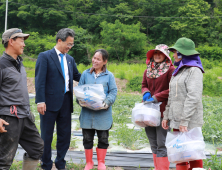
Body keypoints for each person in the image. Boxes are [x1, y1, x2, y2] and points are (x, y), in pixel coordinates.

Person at [35, 28, 81, 170]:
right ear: (59, 41)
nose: (70, 47)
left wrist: (94, 73)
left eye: (72, 44)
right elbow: (40, 80)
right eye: (68, 44)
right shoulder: (45, 56)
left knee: (65, 135)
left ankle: (60, 162)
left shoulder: (70, 59)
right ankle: (46, 163)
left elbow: (77, 76)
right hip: (48, 103)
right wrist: (40, 101)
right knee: (46, 136)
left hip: (66, 102)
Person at [0, 28, 44, 170]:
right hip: (9, 117)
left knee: (37, 148)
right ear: (11, 41)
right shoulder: (1, 64)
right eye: (21, 40)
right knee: (5, 159)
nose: (24, 44)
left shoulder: (19, 63)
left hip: (25, 115)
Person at [162, 37, 205, 170]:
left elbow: (193, 96)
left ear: (182, 53)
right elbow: (171, 96)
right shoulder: (178, 71)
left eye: (175, 52)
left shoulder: (194, 70)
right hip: (177, 121)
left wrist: (184, 120)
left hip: (189, 122)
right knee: (179, 154)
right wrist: (166, 116)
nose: (173, 55)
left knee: (193, 155)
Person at [77, 49, 117, 170]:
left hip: (103, 114)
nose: (95, 61)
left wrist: (107, 102)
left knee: (103, 138)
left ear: (104, 61)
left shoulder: (109, 76)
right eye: (94, 58)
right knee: (87, 138)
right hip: (87, 112)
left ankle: (101, 162)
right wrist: (80, 100)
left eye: (98, 59)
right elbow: (80, 89)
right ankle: (89, 162)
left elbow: (113, 91)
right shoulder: (85, 74)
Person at [141, 44, 175, 170]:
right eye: (155, 53)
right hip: (149, 112)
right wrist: (146, 92)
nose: (157, 55)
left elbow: (171, 89)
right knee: (153, 143)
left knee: (162, 144)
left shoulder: (171, 70)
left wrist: (155, 97)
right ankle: (157, 168)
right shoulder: (148, 70)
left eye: (160, 53)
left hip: (163, 111)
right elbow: (144, 84)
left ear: (166, 55)